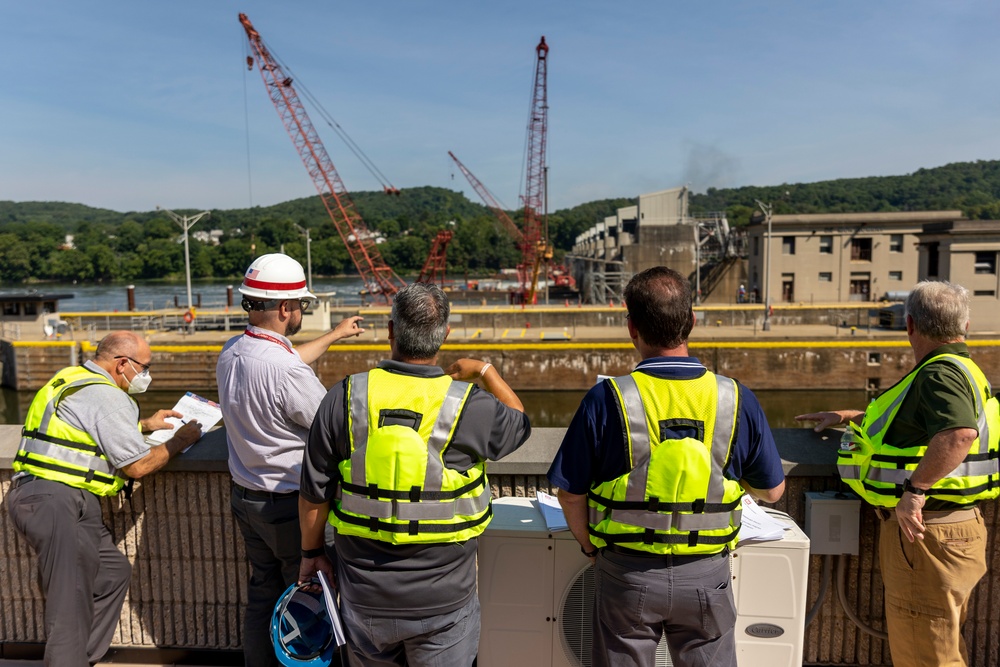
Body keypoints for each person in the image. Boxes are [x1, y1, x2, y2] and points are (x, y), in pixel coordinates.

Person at [548, 266, 785, 667]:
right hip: (708, 574)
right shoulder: (734, 397)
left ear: (631, 328)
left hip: (626, 573)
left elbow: (570, 493)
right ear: (692, 322)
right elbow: (773, 491)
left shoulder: (607, 399)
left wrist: (590, 546)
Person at [298, 282, 531, 667]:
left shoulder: (345, 396)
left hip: (363, 595)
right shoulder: (468, 406)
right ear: (445, 335)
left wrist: (310, 554)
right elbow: (520, 422)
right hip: (443, 602)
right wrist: (484, 370)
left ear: (391, 331)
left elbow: (313, 493)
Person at [796, 280, 996, 667]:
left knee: (926, 654)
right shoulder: (963, 369)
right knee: (940, 646)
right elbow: (915, 428)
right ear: (965, 327)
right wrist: (848, 417)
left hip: (927, 534)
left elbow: (958, 434)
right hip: (946, 530)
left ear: (910, 326)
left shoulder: (940, 374)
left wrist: (914, 493)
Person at [6, 331, 203, 667]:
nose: (146, 376)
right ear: (122, 363)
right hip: (56, 499)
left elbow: (85, 427)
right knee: (69, 599)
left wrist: (142, 424)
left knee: (111, 573)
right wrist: (179, 441)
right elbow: (138, 466)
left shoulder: (73, 378)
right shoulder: (106, 396)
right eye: (144, 367)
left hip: (55, 497)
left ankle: (77, 658)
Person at [216, 253, 365, 667]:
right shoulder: (285, 371)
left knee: (264, 595)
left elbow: (284, 361)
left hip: (247, 500)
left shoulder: (232, 352)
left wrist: (334, 335)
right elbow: (334, 427)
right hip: (289, 506)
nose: (302, 310)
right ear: (284, 308)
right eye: (301, 304)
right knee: (310, 605)